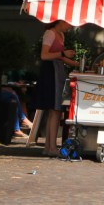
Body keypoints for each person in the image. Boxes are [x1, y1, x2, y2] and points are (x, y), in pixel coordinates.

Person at [34, 20, 79, 156]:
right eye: (69, 23)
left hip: (57, 72)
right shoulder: (50, 33)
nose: (70, 26)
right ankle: (51, 147)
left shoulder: (61, 35)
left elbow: (61, 56)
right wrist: (63, 54)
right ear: (60, 20)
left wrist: (77, 64)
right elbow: (44, 55)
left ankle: (49, 147)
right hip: (50, 73)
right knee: (54, 109)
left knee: (55, 111)